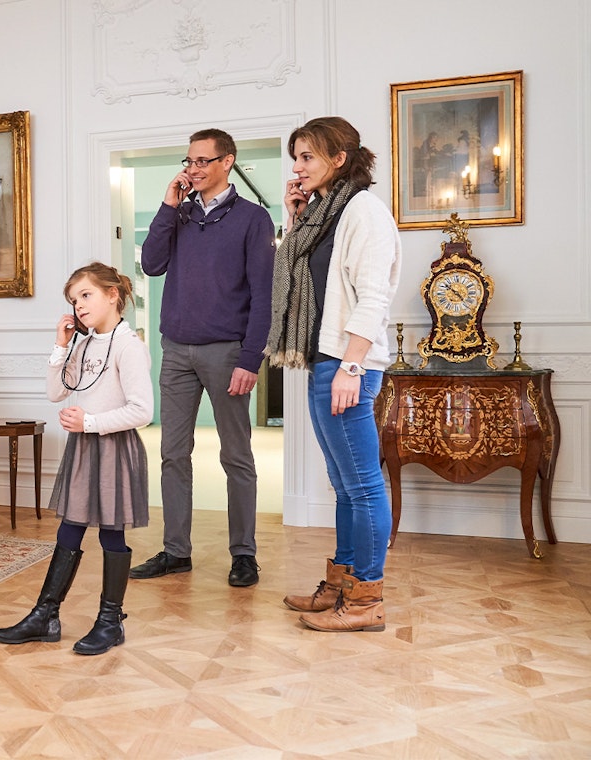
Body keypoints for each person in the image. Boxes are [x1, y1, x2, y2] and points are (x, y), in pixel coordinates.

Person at [266, 116, 401, 632]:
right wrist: (295, 219)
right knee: (344, 485)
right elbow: (299, 275)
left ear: (338, 159)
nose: (297, 168)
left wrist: (351, 364)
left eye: (307, 157)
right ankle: (342, 584)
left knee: (364, 484)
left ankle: (367, 600)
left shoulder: (363, 211)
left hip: (348, 362)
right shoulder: (325, 213)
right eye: (295, 157)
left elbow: (374, 295)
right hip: (325, 358)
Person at [132, 128, 275, 587]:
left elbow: (264, 294)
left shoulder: (254, 220)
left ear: (227, 162)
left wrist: (250, 359)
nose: (192, 169)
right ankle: (176, 551)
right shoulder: (181, 215)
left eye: (202, 161)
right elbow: (151, 264)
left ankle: (244, 555)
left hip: (228, 351)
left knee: (236, 456)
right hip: (175, 350)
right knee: (173, 454)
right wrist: (169, 206)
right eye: (188, 161)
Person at [0, 262, 153, 656]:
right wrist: (61, 345)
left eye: (86, 295)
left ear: (112, 295)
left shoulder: (129, 346)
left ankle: (110, 621)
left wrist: (91, 421)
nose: (78, 306)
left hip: (113, 446)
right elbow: (56, 393)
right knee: (70, 528)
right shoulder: (83, 344)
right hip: (84, 446)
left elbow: (142, 411)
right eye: (73, 300)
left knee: (111, 532)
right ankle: (45, 615)